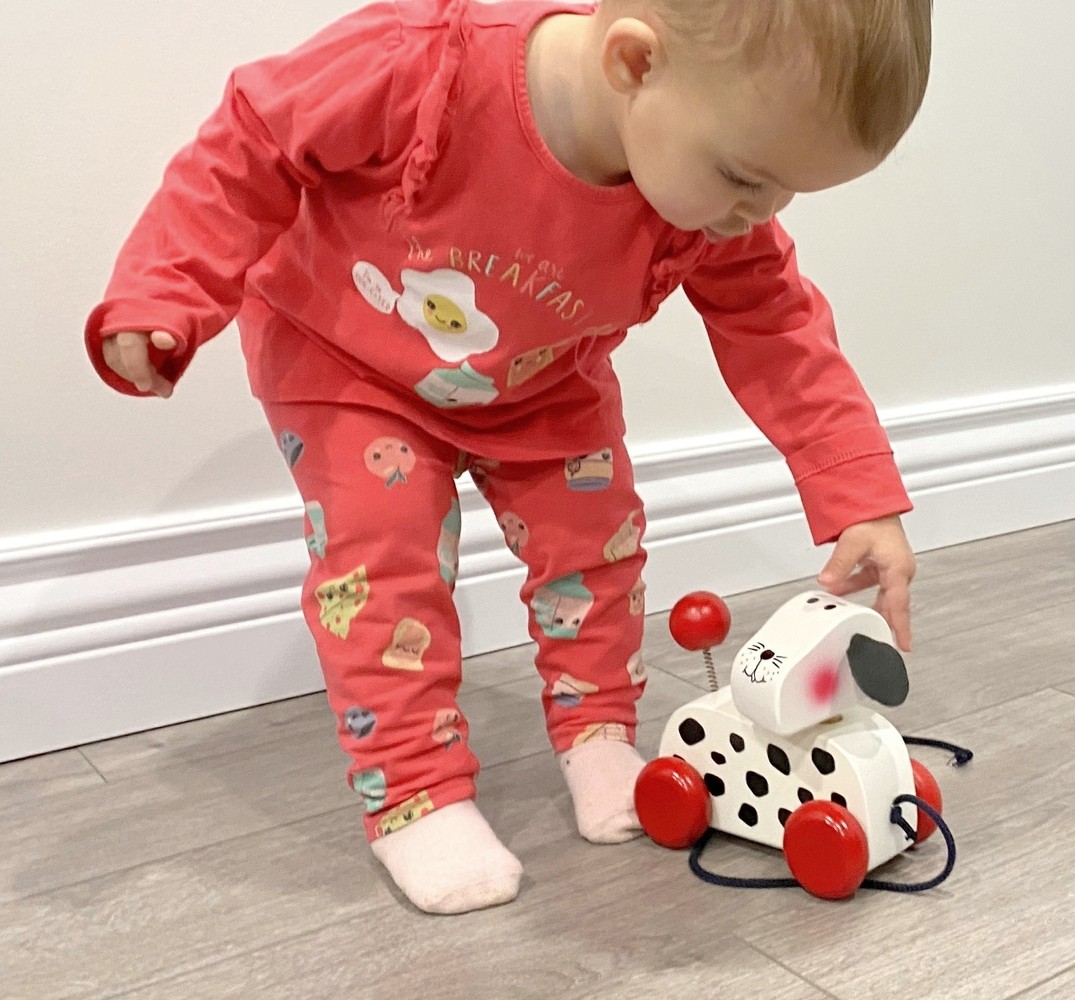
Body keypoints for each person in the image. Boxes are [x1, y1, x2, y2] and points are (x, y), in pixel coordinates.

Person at [85, 0, 928, 915]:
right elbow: (251, 140)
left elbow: (776, 324)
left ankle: (598, 734)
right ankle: (415, 794)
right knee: (384, 567)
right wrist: (165, 290)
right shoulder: (420, 66)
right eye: (743, 176)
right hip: (347, 359)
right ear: (635, 63)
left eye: (786, 190)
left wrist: (857, 495)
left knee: (597, 551)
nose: (759, 213)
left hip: (543, 377)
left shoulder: (713, 201)